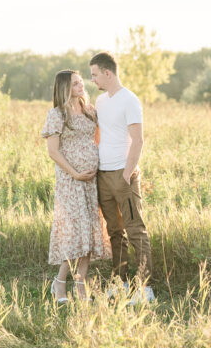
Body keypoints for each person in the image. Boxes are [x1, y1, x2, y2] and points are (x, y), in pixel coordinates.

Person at [89, 51, 155, 302]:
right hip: (103, 175)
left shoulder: (130, 100)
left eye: (95, 75)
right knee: (115, 232)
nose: (92, 80)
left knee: (135, 230)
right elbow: (99, 134)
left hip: (123, 175)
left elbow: (138, 140)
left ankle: (146, 289)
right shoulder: (101, 101)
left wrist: (128, 173)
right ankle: (120, 284)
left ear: (107, 73)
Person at [41, 69, 111, 302]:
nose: (81, 86)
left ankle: (80, 286)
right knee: (74, 234)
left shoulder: (91, 111)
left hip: (90, 180)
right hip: (70, 181)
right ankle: (59, 284)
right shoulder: (57, 114)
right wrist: (76, 173)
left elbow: (98, 139)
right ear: (64, 88)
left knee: (89, 232)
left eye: (81, 82)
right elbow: (53, 152)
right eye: (75, 84)